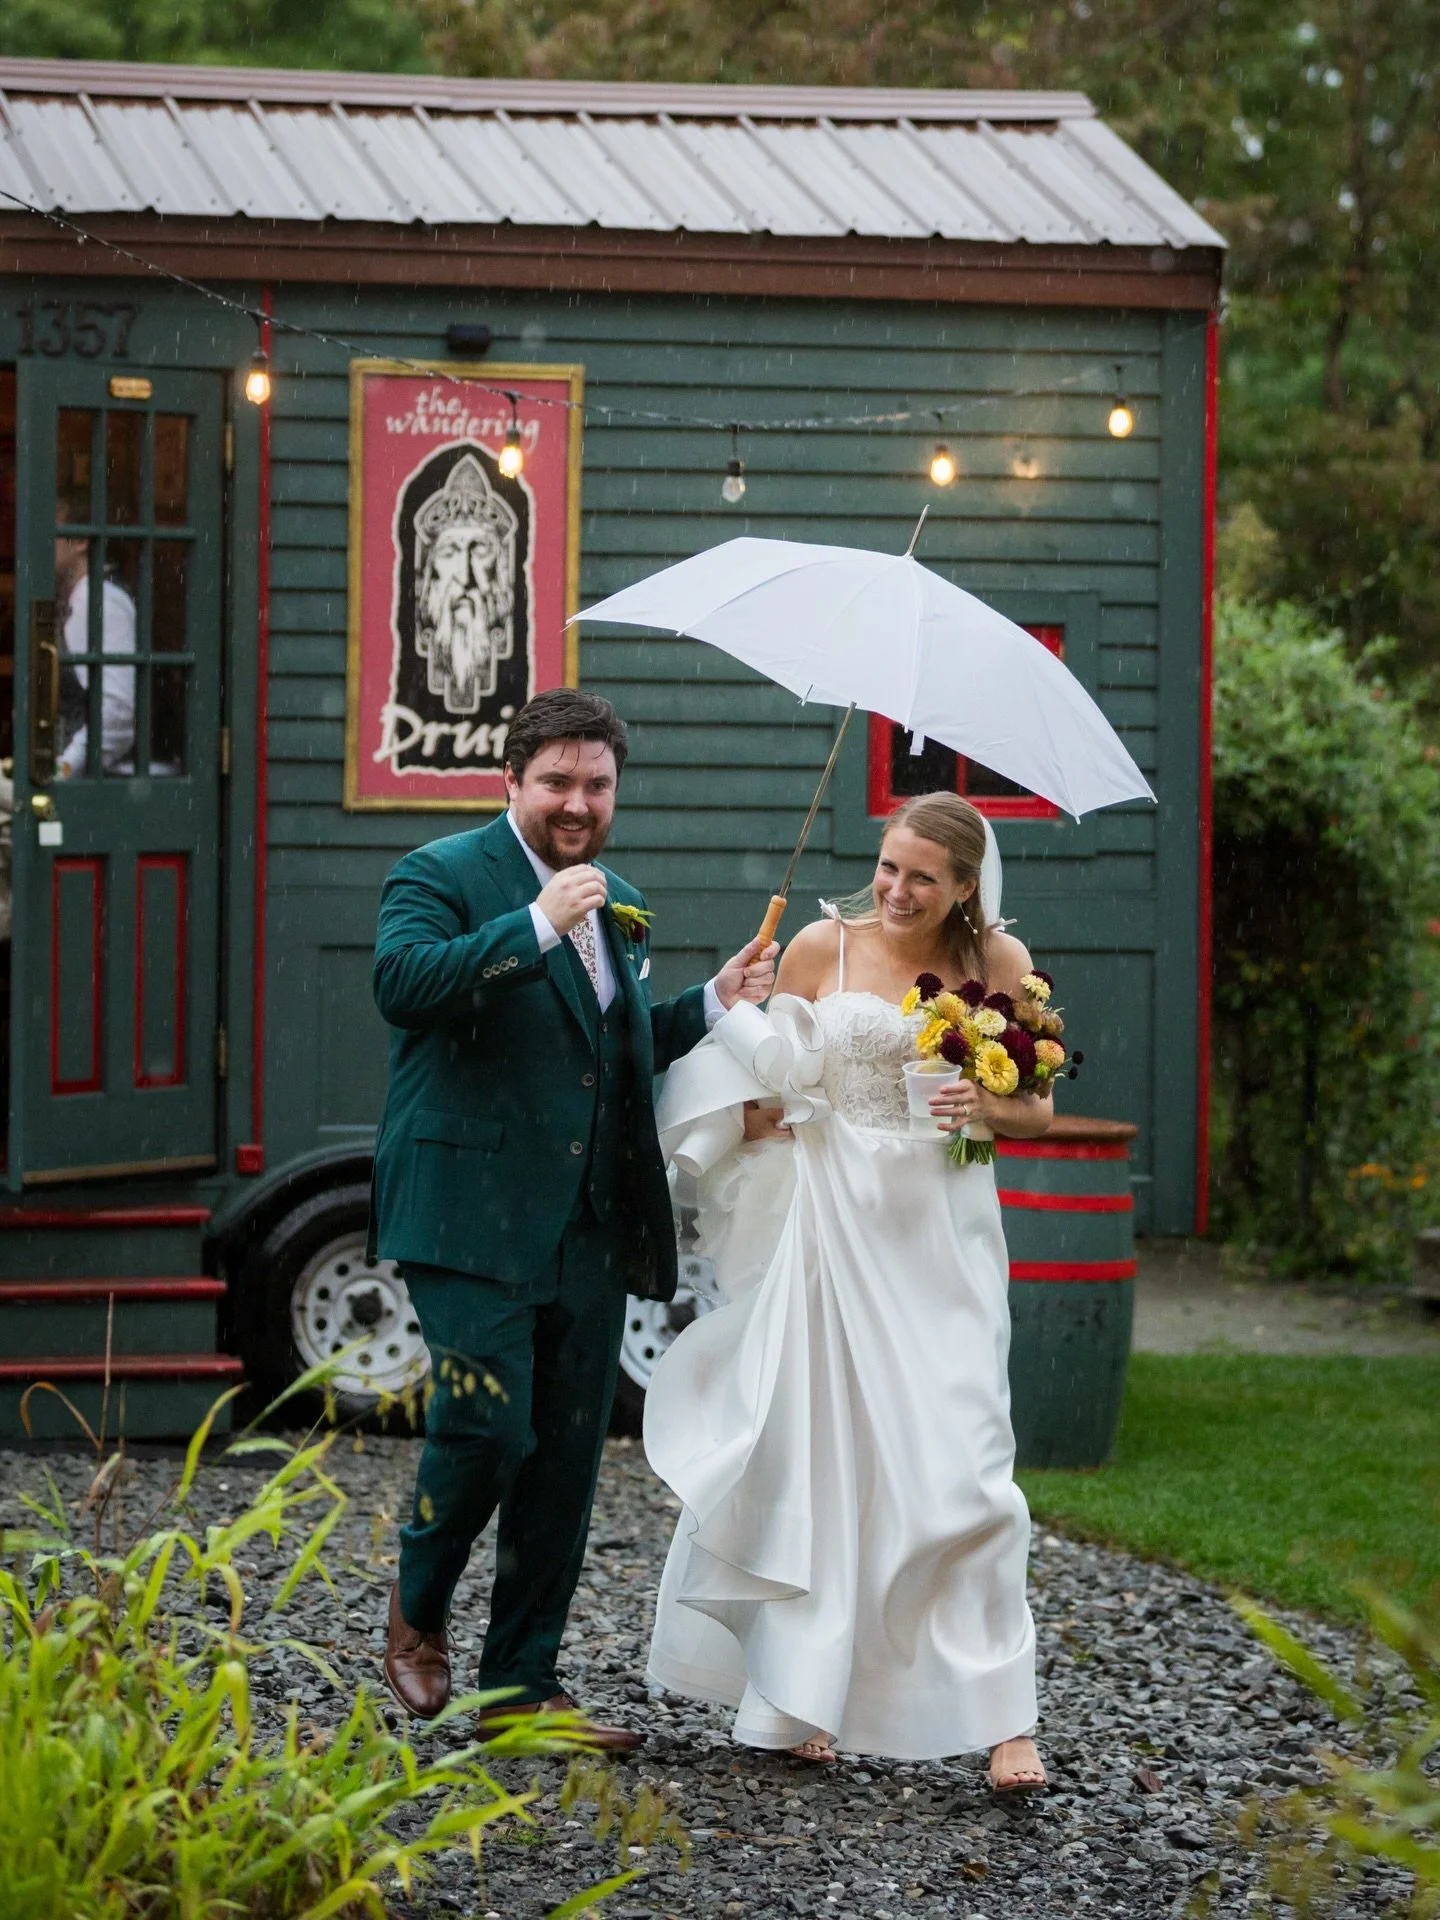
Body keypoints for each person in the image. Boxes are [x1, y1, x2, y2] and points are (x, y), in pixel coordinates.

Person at [370, 687, 777, 1744]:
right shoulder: (443, 875)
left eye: (596, 784)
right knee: (488, 1427)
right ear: (512, 780)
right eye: (556, 780)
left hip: (588, 1220)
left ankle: (521, 1688)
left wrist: (714, 1005)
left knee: (561, 1456)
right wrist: (535, 925)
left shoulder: (624, 901)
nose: (576, 801)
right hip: (469, 1211)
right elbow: (404, 984)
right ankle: (417, 1614)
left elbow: (615, 1049)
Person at [644, 791, 1050, 1790]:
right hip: (831, 1225)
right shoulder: (820, 948)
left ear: (964, 888)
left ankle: (1007, 1721)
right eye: (887, 866)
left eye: (922, 876)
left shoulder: (1000, 965)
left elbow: (1039, 1105)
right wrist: (761, 1094)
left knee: (969, 1465)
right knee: (823, 1455)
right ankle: (803, 1689)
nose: (896, 889)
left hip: (943, 1229)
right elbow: (771, 1084)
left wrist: (987, 1104)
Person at [55, 531, 136, 778]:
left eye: (49, 531)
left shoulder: (100, 600)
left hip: (103, 783)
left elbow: (116, 710)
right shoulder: (77, 597)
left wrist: (64, 768)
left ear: (80, 541)